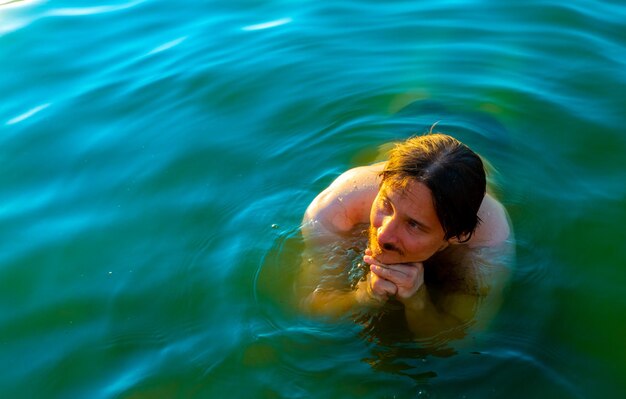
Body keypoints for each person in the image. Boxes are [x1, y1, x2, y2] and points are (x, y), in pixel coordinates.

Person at [299, 132, 513, 338]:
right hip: (403, 137)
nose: (383, 235)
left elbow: (461, 343)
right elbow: (310, 309)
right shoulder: (336, 210)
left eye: (413, 224)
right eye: (386, 205)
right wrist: (361, 296)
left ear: (457, 235)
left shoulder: (488, 245)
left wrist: (418, 302)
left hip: (489, 143)